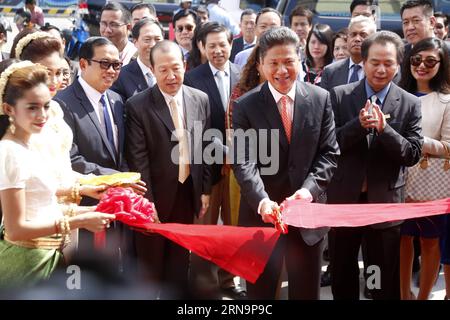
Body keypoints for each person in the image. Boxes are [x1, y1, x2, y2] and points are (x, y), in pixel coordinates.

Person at [232, 26, 339, 299]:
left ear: (299, 61)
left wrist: (308, 191)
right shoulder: (246, 106)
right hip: (262, 219)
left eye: (288, 61)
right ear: (260, 66)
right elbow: (244, 161)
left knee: (305, 293)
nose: (282, 70)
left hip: (307, 219)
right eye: (274, 63)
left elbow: (329, 153)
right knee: (261, 295)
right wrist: (262, 200)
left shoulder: (320, 99)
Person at [0, 61, 115, 288]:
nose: (42, 114)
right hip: (26, 263)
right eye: (32, 107)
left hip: (49, 256)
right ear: (8, 109)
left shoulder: (30, 145)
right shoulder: (10, 151)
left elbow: (42, 205)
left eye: (46, 105)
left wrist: (93, 209)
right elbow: (15, 229)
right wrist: (78, 220)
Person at [328, 31, 423, 300]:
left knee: (379, 277)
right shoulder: (339, 96)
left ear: (398, 65)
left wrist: (386, 130)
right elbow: (329, 145)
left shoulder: (410, 103)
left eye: (389, 63)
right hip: (345, 201)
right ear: (364, 61)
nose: (381, 70)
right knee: (343, 271)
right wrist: (358, 126)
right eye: (375, 62)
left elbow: (412, 154)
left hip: (384, 204)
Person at [125, 40, 212, 299]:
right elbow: (138, 159)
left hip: (187, 193)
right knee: (150, 266)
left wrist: (205, 190)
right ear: (152, 70)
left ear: (185, 66)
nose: (171, 76)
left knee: (178, 262)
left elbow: (205, 148)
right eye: (163, 70)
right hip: (155, 199)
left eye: (176, 68)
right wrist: (147, 203)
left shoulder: (200, 99)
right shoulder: (138, 105)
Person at [184, 21, 244, 299]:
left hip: (239, 168)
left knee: (233, 228)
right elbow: (195, 129)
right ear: (202, 47)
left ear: (231, 44)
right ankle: (204, 286)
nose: (218, 50)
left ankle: (228, 279)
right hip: (207, 166)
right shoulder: (192, 79)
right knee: (205, 227)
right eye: (212, 46)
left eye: (223, 44)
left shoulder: (243, 75)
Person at [398, 37, 450, 300]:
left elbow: (449, 147)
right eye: (416, 59)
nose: (422, 65)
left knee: (429, 241)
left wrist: (417, 142)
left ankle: (424, 296)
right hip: (396, 180)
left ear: (441, 64)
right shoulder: (396, 94)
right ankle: (403, 294)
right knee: (401, 240)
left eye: (430, 61)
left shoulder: (446, 100)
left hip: (431, 183)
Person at [111, 18, 164, 101]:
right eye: (147, 40)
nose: (153, 45)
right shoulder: (121, 77)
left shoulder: (171, 73)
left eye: (157, 39)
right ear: (135, 42)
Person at [321, 15, 377, 92]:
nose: (357, 39)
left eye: (363, 35)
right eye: (353, 34)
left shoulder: (379, 71)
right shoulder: (330, 72)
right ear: (347, 39)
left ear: (373, 39)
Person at [100, 2, 136, 66]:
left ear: (128, 28)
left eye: (113, 25)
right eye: (104, 24)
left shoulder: (137, 57)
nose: (107, 30)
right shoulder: (93, 55)